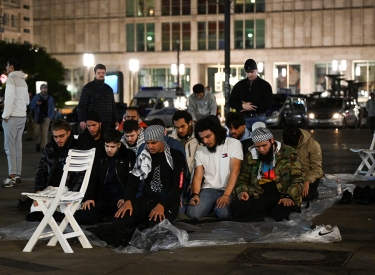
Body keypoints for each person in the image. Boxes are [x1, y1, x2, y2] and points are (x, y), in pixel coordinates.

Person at [94, 125, 186, 247]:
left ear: (162, 140)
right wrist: (128, 200)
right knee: (119, 220)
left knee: (155, 228)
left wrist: (162, 205)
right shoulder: (144, 155)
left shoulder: (176, 156)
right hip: (146, 200)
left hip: (167, 203)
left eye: (154, 143)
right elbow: (133, 180)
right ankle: (134, 234)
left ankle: (132, 234)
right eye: (147, 143)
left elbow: (178, 187)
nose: (150, 147)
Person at [231, 127, 304, 222]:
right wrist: (242, 191)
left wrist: (289, 196)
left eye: (264, 145)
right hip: (260, 192)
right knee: (238, 208)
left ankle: (263, 214)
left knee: (280, 213)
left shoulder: (288, 152)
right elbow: (243, 178)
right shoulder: (250, 156)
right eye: (257, 147)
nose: (261, 149)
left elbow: (298, 179)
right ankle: (263, 214)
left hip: (282, 193)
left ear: (272, 140)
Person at [186, 116, 243, 219]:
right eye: (202, 138)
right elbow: (198, 176)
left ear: (216, 132)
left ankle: (215, 207)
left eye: (208, 136)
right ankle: (211, 206)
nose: (205, 141)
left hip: (229, 188)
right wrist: (195, 194)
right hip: (209, 189)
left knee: (223, 214)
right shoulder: (200, 151)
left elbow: (235, 171)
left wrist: (226, 195)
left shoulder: (234, 143)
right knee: (193, 213)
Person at [75, 129, 136, 225]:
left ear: (119, 145)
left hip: (120, 196)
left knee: (124, 217)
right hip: (103, 195)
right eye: (107, 146)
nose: (109, 149)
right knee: (85, 215)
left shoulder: (129, 156)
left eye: (112, 147)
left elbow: (132, 180)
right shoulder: (99, 155)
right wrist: (89, 197)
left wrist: (127, 198)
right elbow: (93, 176)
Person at [28, 120, 85, 219]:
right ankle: (53, 216)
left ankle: (53, 215)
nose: (58, 139)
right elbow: (41, 171)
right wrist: (39, 192)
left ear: (69, 133)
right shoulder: (49, 148)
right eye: (55, 137)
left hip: (68, 189)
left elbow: (80, 175)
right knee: (35, 211)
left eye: (62, 136)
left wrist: (72, 194)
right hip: (50, 189)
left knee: (69, 212)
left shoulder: (78, 147)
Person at [2, 58, 29, 188]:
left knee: (10, 147)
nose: (6, 68)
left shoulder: (11, 79)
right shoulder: (23, 81)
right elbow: (27, 101)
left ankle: (11, 176)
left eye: (7, 66)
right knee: (18, 146)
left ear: (11, 67)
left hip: (12, 117)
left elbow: (9, 99)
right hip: (22, 116)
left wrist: (5, 116)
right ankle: (17, 175)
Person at [228, 59, 273, 130]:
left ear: (256, 71)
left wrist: (248, 107)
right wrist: (242, 106)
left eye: (252, 72)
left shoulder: (265, 85)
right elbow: (231, 102)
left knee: (259, 140)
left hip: (258, 117)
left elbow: (268, 102)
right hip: (243, 118)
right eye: (247, 72)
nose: (250, 74)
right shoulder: (239, 85)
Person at [283, 127, 323, 203]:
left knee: (305, 196)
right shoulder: (286, 142)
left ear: (300, 137)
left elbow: (317, 168)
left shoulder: (313, 145)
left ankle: (313, 193)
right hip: (291, 175)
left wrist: (307, 181)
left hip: (307, 175)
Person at [78, 64, 119, 133]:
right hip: (94, 122)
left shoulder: (108, 89)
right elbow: (82, 105)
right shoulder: (88, 88)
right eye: (99, 73)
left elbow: (113, 106)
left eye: (103, 73)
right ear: (95, 73)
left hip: (108, 122)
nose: (101, 75)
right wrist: (81, 120)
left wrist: (116, 120)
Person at [29, 84, 56, 152]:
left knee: (45, 133)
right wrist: (36, 104)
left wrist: (50, 117)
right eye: (43, 88)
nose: (45, 89)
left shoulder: (50, 98)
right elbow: (31, 106)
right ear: (40, 89)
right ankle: (38, 143)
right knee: (36, 133)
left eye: (46, 88)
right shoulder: (36, 97)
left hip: (46, 117)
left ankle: (44, 147)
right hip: (36, 117)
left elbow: (52, 108)